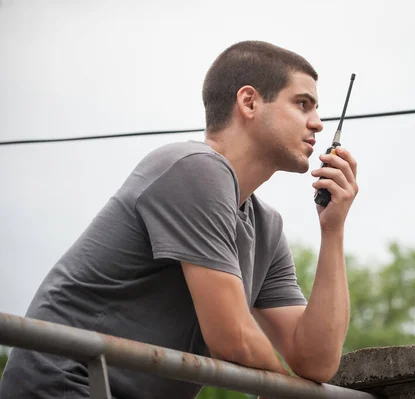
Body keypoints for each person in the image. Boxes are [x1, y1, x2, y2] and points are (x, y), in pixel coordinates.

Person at [0, 40, 359, 399]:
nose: (317, 123)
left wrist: (333, 229)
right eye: (302, 104)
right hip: (66, 386)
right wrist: (290, 393)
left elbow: (316, 362)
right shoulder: (194, 168)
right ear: (248, 102)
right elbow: (232, 337)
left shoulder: (265, 226)